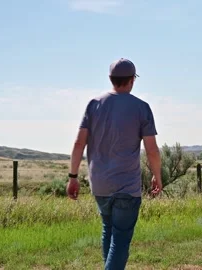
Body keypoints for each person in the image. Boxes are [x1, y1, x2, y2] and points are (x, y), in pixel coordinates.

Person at [66, 58, 162, 270]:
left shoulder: (94, 104)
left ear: (111, 79)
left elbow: (78, 143)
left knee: (108, 229)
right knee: (120, 239)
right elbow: (152, 149)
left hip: (100, 185)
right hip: (127, 186)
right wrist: (157, 176)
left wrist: (72, 177)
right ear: (132, 80)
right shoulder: (141, 107)